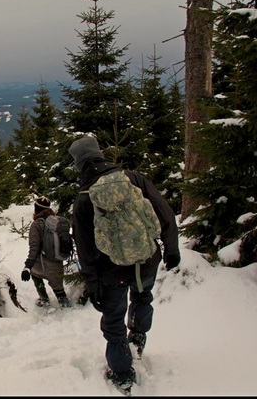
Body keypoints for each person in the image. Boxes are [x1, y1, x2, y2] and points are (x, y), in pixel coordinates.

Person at [68, 135, 181, 392]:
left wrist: (92, 282)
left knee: (113, 320)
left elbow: (85, 248)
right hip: (147, 261)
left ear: (79, 164)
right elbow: (164, 212)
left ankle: (122, 374)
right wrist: (171, 247)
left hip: (112, 272)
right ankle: (138, 337)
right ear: (100, 154)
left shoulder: (84, 198)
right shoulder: (134, 179)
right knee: (143, 297)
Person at [21, 197, 72, 309]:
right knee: (59, 290)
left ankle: (44, 300)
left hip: (43, 263)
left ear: (37, 209)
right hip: (57, 261)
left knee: (35, 274)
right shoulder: (57, 221)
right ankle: (67, 309)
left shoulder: (37, 224)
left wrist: (28, 266)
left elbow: (34, 247)